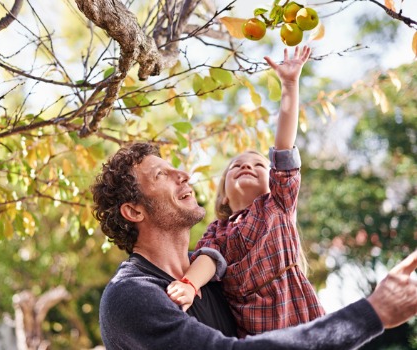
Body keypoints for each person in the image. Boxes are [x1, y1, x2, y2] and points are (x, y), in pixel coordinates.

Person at [91, 141, 417, 350]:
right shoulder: (131, 295)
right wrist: (373, 312)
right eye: (161, 175)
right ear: (134, 211)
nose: (185, 174)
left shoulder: (221, 279)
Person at [166, 46, 324, 336]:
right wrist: (189, 284)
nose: (246, 166)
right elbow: (209, 259)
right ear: (223, 195)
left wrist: (289, 86)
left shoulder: (277, 204)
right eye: (236, 165)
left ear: (273, 181)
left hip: (297, 314)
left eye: (258, 165)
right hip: (254, 329)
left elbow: (284, 149)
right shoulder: (218, 230)